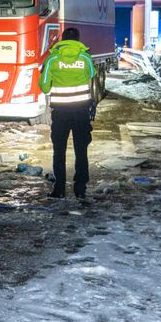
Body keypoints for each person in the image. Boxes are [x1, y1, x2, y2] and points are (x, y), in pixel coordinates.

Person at [38, 27, 96, 200]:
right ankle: (80, 189)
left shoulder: (52, 59)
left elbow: (45, 86)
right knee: (81, 149)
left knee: (59, 150)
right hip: (81, 111)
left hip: (61, 112)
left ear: (62, 40)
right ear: (78, 40)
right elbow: (91, 74)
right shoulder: (85, 57)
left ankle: (60, 189)